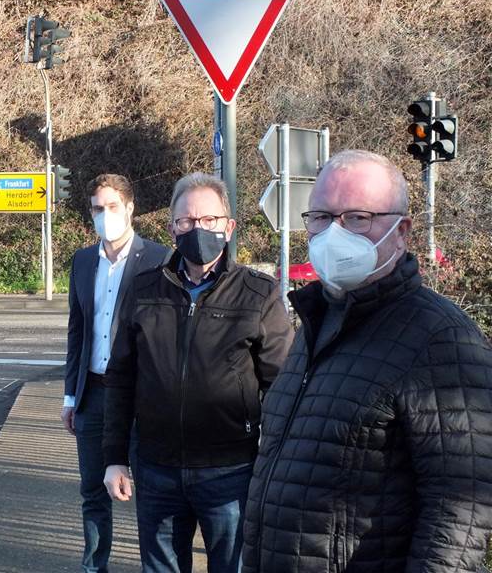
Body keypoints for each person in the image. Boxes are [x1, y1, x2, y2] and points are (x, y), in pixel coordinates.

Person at [242, 150, 492, 573]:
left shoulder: (439, 336)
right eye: (320, 216)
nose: (333, 233)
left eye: (357, 217)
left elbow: (460, 510)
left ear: (402, 231)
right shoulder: (318, 319)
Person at [102, 172, 293, 573]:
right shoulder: (143, 289)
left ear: (229, 226)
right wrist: (115, 458)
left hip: (230, 471)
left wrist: (273, 463)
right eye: (187, 221)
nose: (198, 229)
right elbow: (121, 378)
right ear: (172, 227)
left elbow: (282, 387)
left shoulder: (259, 294)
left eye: (209, 220)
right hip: (156, 468)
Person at [63, 173, 168, 573]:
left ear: (130, 208)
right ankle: (95, 567)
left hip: (141, 397)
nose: (104, 215)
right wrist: (70, 396)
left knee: (152, 493)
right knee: (92, 491)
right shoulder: (83, 260)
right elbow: (77, 332)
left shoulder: (158, 259)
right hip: (93, 394)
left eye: (111, 207)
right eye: (96, 208)